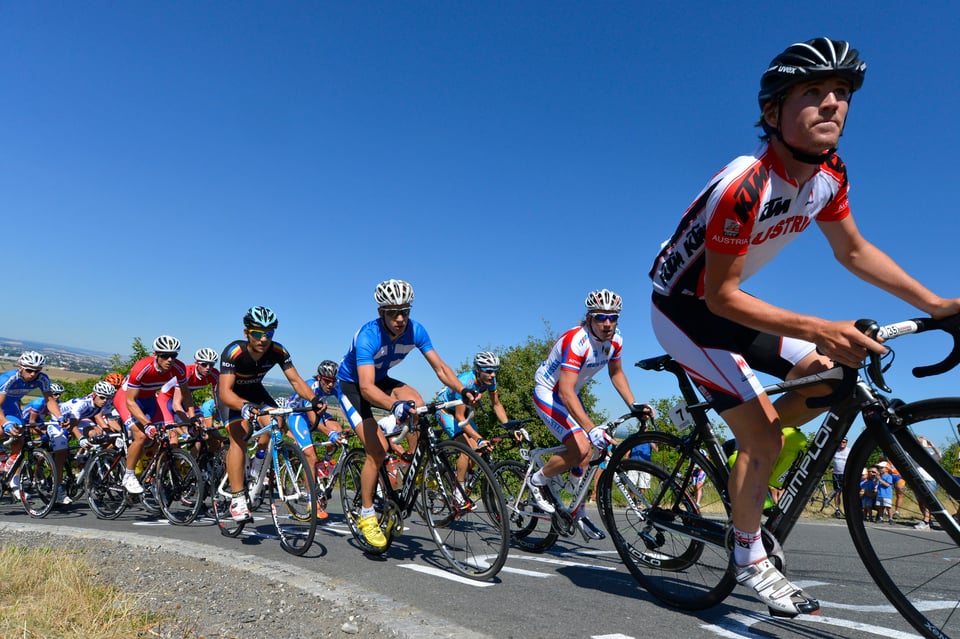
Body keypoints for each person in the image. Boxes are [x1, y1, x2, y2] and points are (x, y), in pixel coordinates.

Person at [647, 37, 960, 617]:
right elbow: (718, 295)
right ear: (773, 113)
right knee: (765, 434)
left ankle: (744, 441)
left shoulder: (830, 174)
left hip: (734, 305)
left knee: (833, 380)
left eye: (842, 93)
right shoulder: (745, 185)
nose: (833, 104)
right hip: (686, 310)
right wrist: (819, 325)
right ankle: (748, 554)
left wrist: (937, 303)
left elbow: (856, 252)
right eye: (813, 92)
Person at [335, 279, 477, 549]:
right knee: (375, 452)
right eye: (393, 313)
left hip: (380, 378)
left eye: (405, 312)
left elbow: (440, 368)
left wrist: (462, 390)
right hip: (353, 386)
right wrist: (392, 405)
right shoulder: (368, 335)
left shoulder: (416, 330)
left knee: (418, 402)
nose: (400, 319)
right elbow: (366, 387)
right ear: (381, 313)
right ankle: (366, 515)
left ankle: (416, 463)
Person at [530, 289, 649, 542]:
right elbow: (564, 390)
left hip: (570, 392)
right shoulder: (577, 341)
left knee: (591, 450)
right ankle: (537, 480)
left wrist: (633, 404)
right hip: (550, 392)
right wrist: (590, 428)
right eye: (600, 317)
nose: (607, 323)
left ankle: (576, 508)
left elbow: (616, 374)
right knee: (582, 444)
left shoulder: (616, 340)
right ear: (589, 318)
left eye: (613, 317)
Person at [218, 306, 323, 523]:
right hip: (232, 395)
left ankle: (258, 465)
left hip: (255, 390)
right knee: (239, 438)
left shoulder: (278, 351)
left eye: (269, 333)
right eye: (257, 333)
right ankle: (237, 498)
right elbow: (225, 392)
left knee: (277, 420)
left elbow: (296, 381)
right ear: (247, 333)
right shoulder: (234, 351)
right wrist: (244, 406)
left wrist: (314, 400)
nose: (264, 338)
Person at [113, 335, 196, 495]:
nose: (170, 359)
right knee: (141, 436)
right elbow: (130, 401)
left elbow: (186, 394)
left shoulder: (179, 368)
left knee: (167, 435)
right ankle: (128, 475)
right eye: (165, 355)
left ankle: (150, 476)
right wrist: (147, 424)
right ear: (156, 355)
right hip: (127, 399)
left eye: (174, 355)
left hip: (150, 399)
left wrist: (191, 418)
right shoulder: (142, 367)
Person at [436, 351, 510, 484]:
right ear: (478, 370)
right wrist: (478, 438)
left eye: (495, 371)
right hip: (446, 410)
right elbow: (459, 417)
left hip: (463, 410)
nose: (492, 375)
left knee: (480, 451)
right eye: (488, 371)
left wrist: (510, 427)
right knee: (467, 450)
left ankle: (459, 476)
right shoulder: (466, 382)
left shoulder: (491, 380)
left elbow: (496, 404)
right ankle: (458, 491)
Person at [0, 351, 67, 500]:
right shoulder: (9, 378)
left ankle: (14, 480)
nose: (32, 374)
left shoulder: (42, 379)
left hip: (10, 406)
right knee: (2, 430)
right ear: (20, 367)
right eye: (29, 370)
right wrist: (5, 423)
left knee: (19, 436)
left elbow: (50, 400)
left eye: (36, 371)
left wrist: (60, 416)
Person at [287, 359, 345, 520]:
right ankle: (311, 501)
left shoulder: (334, 386)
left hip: (316, 411)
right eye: (327, 381)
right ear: (319, 378)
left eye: (333, 381)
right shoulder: (310, 386)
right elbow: (313, 420)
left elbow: (347, 405)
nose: (330, 385)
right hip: (298, 414)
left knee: (338, 430)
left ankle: (325, 462)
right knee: (310, 456)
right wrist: (328, 433)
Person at [156, 347, 220, 435]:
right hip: (166, 400)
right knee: (174, 436)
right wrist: (191, 422)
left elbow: (218, 396)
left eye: (211, 365)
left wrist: (218, 411)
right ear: (196, 363)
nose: (208, 368)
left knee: (202, 427)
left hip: (185, 400)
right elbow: (176, 404)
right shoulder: (187, 373)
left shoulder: (214, 374)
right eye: (204, 364)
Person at [831, 437, 850, 517]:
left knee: (846, 493)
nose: (842, 443)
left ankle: (847, 511)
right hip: (836, 474)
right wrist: (831, 467)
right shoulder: (835, 450)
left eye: (844, 442)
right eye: (841, 441)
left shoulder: (849, 451)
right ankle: (837, 509)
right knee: (837, 492)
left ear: (846, 443)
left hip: (845, 474)